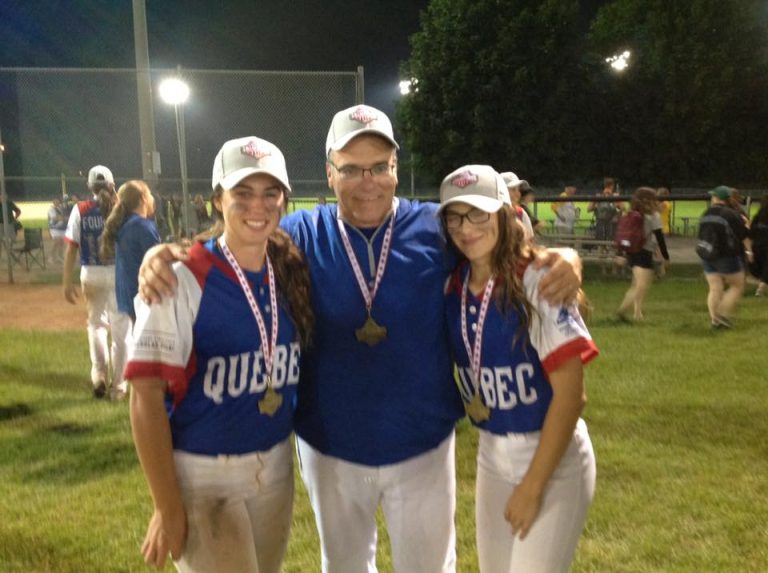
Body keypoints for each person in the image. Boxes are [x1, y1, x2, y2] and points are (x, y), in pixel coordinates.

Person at [138, 104, 582, 573]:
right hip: (331, 448)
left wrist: (566, 257)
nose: (366, 181)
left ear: (395, 168)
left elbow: (500, 245)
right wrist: (164, 253)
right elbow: (235, 237)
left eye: (378, 168)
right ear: (330, 173)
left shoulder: (437, 228)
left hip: (423, 446)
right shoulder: (299, 233)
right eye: (351, 169)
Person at [124, 136, 314, 572]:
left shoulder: (290, 270)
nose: (257, 207)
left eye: (270, 193)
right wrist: (167, 505)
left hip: (276, 467)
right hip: (205, 473)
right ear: (217, 200)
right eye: (242, 194)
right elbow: (144, 396)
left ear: (284, 199)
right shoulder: (180, 278)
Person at [439, 164, 597, 572]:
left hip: (552, 455)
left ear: (504, 214)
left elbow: (571, 396)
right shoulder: (451, 284)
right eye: (455, 215)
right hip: (492, 452)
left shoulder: (537, 278)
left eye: (478, 213)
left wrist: (533, 485)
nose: (466, 227)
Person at [63, 165, 131, 399]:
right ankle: (118, 388)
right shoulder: (121, 209)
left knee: (96, 326)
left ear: (90, 187)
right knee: (122, 332)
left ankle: (99, 375)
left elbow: (71, 247)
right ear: (112, 185)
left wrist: (66, 281)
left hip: (90, 273)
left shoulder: (79, 209)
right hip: (118, 273)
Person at [100, 180, 161, 324]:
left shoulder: (125, 223)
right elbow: (158, 264)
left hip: (128, 293)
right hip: (143, 294)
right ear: (143, 199)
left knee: (138, 337)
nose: (152, 198)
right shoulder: (142, 226)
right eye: (149, 194)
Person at [697, 186, 749, 328]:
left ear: (715, 198)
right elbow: (743, 234)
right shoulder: (731, 214)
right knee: (737, 286)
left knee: (714, 288)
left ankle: (714, 320)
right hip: (727, 255)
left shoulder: (706, 213)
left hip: (707, 255)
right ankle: (722, 314)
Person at [616, 187, 670, 321]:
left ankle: (637, 313)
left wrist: (620, 253)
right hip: (644, 252)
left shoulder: (630, 213)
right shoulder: (653, 216)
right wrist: (666, 256)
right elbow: (660, 237)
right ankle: (622, 310)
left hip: (631, 252)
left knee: (637, 283)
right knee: (641, 285)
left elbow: (622, 233)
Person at [500, 171, 534, 239]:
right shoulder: (489, 215)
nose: (518, 194)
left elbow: (529, 241)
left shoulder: (520, 213)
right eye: (513, 189)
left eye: (518, 189)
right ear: (501, 191)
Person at [749, 196, 768, 296]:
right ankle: (760, 289)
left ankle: (760, 287)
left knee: (761, 267)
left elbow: (751, 232)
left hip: (757, 245)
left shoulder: (757, 216)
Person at [47, 197, 68, 263]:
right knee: (56, 242)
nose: (56, 202)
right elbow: (55, 218)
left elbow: (63, 217)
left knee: (61, 243)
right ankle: (51, 256)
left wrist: (64, 218)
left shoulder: (61, 208)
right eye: (55, 200)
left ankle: (60, 256)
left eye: (58, 200)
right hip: (54, 228)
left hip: (62, 228)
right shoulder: (51, 209)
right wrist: (64, 218)